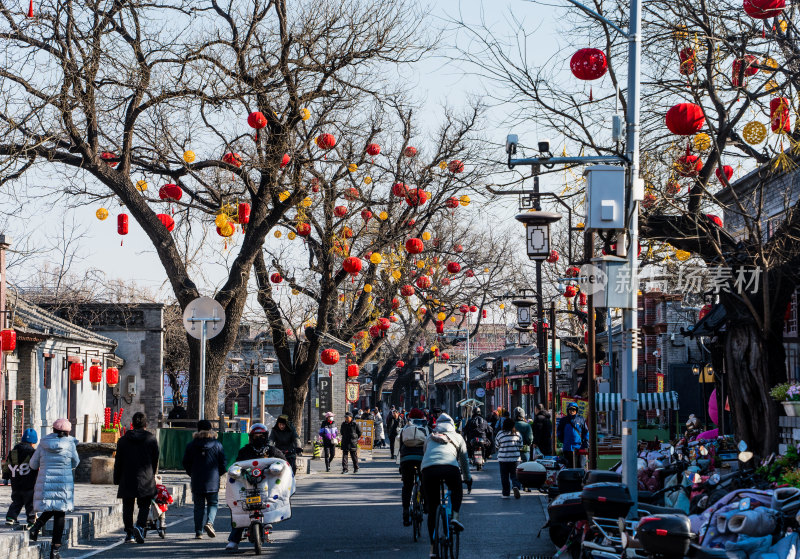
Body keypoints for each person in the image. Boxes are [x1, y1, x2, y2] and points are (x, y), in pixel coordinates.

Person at [226, 423, 286, 553]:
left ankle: (269, 520)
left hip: (267, 487)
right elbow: (237, 465)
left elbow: (283, 463)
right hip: (247, 485)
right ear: (251, 437)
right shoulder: (245, 451)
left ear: (266, 436)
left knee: (272, 504)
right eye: (256, 436)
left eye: (261, 436)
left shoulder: (272, 451)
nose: (259, 438)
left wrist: (275, 469)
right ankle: (234, 540)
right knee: (241, 510)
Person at [420, 413, 472, 559]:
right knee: (456, 489)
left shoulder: (430, 436)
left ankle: (433, 547)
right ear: (452, 426)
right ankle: (455, 516)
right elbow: (464, 460)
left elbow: (425, 454)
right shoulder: (458, 437)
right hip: (450, 468)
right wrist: (467, 478)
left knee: (433, 508)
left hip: (429, 470)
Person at [28, 419, 79, 559]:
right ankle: (55, 550)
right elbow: (76, 462)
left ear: (53, 429)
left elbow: (33, 464)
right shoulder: (70, 444)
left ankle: (36, 527)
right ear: (68, 431)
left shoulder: (43, 444)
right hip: (63, 483)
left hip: (46, 481)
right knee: (60, 513)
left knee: (51, 507)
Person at [114, 411, 160, 544]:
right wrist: (152, 474)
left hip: (127, 476)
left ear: (132, 424)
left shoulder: (123, 440)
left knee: (127, 505)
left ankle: (129, 533)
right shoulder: (151, 439)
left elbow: (118, 461)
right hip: (145, 476)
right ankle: (140, 526)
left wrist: (117, 478)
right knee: (144, 504)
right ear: (146, 424)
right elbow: (155, 460)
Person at [182, 419, 226, 539]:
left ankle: (198, 532)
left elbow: (185, 463)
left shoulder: (191, 445)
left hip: (197, 480)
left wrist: (192, 474)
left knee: (198, 506)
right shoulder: (217, 445)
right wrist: (218, 474)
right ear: (211, 429)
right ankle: (209, 523)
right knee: (213, 503)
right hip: (213, 480)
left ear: (198, 430)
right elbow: (223, 463)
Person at [398, 408, 429, 526]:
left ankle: (406, 510)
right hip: (421, 459)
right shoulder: (426, 428)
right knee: (425, 481)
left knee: (407, 486)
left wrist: (401, 464)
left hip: (406, 459)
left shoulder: (404, 429)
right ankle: (426, 505)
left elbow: (400, 448)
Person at [3, 428, 38, 527]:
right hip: (29, 482)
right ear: (32, 442)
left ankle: (10, 518)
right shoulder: (33, 453)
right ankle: (31, 521)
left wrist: (5, 477)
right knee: (30, 502)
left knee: (16, 500)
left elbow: (7, 464)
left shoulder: (13, 451)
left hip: (15, 482)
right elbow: (36, 465)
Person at [496, 418, 523, 499]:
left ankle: (506, 493)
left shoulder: (500, 434)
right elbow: (521, 446)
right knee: (515, 475)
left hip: (503, 459)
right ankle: (516, 487)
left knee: (504, 476)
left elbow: (497, 445)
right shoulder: (517, 434)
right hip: (515, 459)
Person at [557, 403, 589, 468]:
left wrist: (586, 444)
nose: (572, 411)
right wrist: (564, 441)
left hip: (579, 447)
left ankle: (581, 478)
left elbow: (586, 432)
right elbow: (559, 432)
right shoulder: (563, 420)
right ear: (568, 410)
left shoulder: (581, 419)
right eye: (570, 410)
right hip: (567, 448)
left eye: (574, 410)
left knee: (580, 466)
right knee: (569, 467)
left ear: (576, 410)